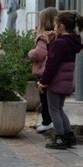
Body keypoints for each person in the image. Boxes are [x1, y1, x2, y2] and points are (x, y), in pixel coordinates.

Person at [38, 12, 82, 149]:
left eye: (56, 25)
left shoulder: (59, 43)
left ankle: (60, 138)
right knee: (59, 109)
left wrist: (43, 82)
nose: (54, 27)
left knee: (54, 110)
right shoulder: (72, 41)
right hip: (66, 82)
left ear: (61, 27)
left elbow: (52, 65)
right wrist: (52, 41)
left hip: (56, 83)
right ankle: (68, 136)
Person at [28, 7, 57, 133]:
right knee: (51, 101)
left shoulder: (43, 36)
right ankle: (48, 121)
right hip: (53, 72)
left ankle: (47, 122)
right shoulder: (56, 35)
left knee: (44, 100)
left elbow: (38, 54)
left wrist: (30, 53)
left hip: (43, 72)